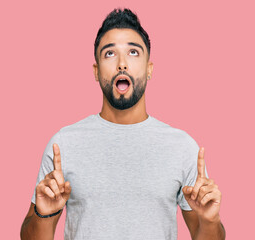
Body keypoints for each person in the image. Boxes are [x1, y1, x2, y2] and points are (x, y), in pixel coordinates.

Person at [20, 8, 225, 240]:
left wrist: (210, 220)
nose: (122, 64)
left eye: (133, 52)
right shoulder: (63, 144)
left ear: (149, 69)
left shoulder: (182, 146)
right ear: (96, 72)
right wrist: (43, 214)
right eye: (109, 54)